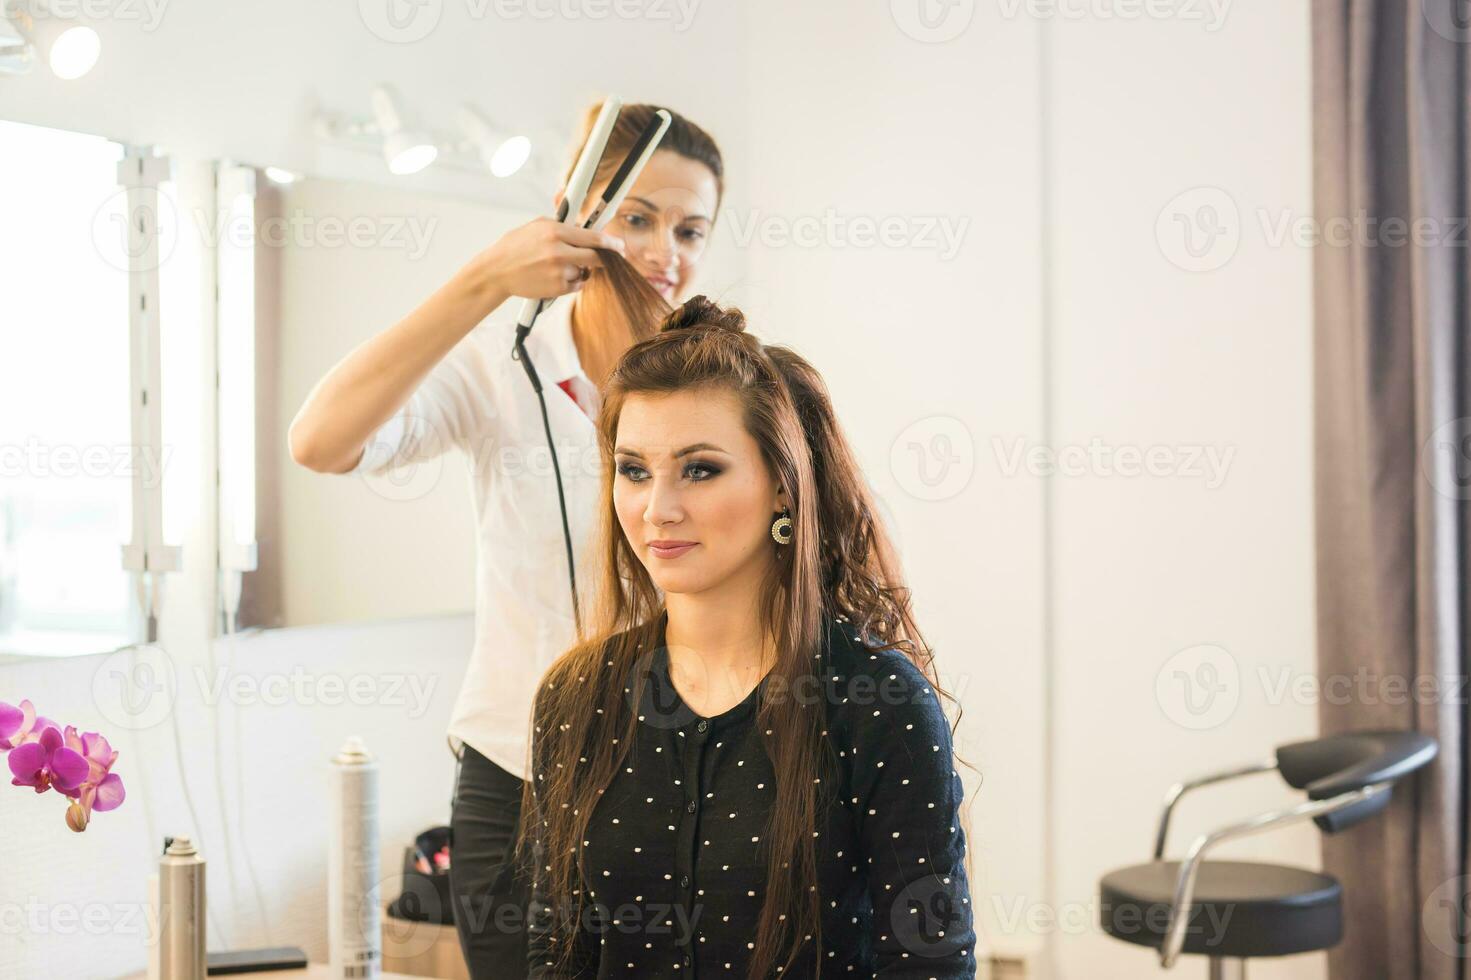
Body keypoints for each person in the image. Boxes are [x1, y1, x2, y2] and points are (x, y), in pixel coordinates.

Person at [287, 101, 724, 978]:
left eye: (689, 228)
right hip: (516, 780)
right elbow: (319, 441)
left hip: (690, 772)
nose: (663, 252)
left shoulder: (723, 387)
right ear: (574, 213)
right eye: (636, 217)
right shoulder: (497, 367)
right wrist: (484, 280)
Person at [521, 296, 977, 978]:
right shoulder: (575, 695)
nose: (657, 508)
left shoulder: (876, 703)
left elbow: (927, 966)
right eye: (634, 470)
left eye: (700, 469)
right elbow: (556, 954)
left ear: (783, 489)